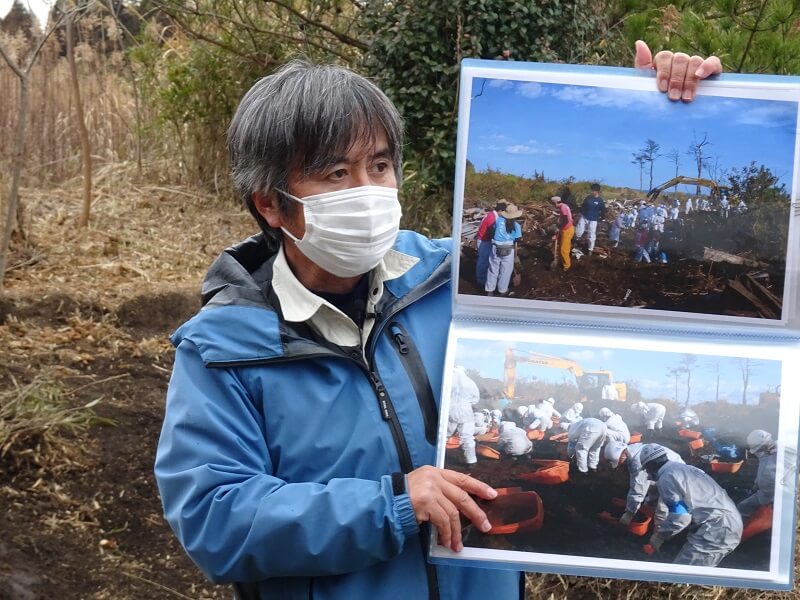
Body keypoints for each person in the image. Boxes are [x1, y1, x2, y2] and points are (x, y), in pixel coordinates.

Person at [154, 43, 721, 599]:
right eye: (335, 173)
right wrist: (393, 505)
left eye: (379, 166)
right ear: (270, 205)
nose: (368, 192)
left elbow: (634, 330)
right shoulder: (222, 350)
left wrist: (662, 105)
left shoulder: (449, 286)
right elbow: (214, 521)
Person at [640, 445, 742, 566]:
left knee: (684, 575)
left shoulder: (666, 478)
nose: (647, 473)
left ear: (651, 465)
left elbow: (681, 516)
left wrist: (660, 536)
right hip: (727, 520)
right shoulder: (685, 468)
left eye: (646, 469)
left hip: (717, 528)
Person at [605, 442, 684, 527]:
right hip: (662, 472)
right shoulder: (631, 450)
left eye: (618, 462)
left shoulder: (637, 462)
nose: (619, 465)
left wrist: (629, 513)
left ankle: (659, 531)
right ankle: (650, 510)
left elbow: (638, 489)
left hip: (675, 477)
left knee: (662, 508)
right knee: (651, 491)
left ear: (621, 455)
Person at [737, 430, 777, 519]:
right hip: (771, 493)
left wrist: (757, 490)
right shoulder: (779, 448)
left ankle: (740, 527)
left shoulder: (768, 465)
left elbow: (767, 493)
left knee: (742, 507)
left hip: (771, 498)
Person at [485, 202, 523, 296]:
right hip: (508, 249)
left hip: (496, 247)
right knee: (506, 270)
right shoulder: (516, 225)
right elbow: (518, 238)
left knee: (493, 269)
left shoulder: (498, 221)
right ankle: (502, 290)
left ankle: (490, 290)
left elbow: (492, 230)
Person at [448, 366, 480, 466]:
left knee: (443, 435)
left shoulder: (448, 379)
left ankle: (437, 458)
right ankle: (471, 462)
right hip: (466, 411)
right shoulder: (470, 382)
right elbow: (475, 399)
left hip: (449, 409)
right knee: (467, 437)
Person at [475, 201, 506, 286]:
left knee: (485, 261)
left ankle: (484, 278)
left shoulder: (492, 215)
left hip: (485, 240)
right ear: (500, 210)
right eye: (503, 212)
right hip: (484, 241)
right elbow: (492, 233)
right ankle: (480, 280)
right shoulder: (492, 218)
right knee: (483, 261)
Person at [574, 183, 606, 253]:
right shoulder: (588, 198)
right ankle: (575, 242)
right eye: (592, 190)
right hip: (584, 216)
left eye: (593, 190)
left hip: (593, 219)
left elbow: (603, 210)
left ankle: (590, 250)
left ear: (597, 191)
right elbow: (583, 206)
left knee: (591, 234)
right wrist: (580, 213)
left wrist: (602, 217)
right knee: (579, 231)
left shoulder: (600, 200)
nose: (592, 192)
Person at [551, 195, 574, 270]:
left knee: (563, 249)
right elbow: (565, 217)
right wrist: (558, 215)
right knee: (562, 247)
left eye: (553, 204)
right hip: (565, 229)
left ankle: (567, 265)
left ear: (555, 203)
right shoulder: (564, 206)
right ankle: (563, 261)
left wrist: (558, 228)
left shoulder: (563, 208)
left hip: (567, 230)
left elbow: (566, 220)